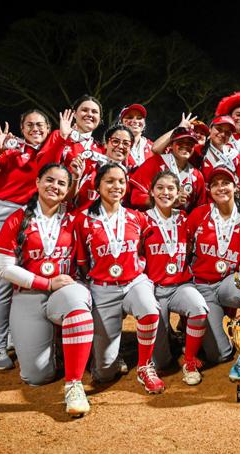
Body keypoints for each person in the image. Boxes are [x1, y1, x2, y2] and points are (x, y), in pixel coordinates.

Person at [0, 163, 94, 417]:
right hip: (30, 293)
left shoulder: (74, 218)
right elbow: (4, 269)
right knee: (36, 376)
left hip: (65, 290)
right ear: (37, 182)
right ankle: (58, 348)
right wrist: (45, 283)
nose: (55, 186)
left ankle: (74, 384)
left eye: (62, 183)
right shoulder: (18, 217)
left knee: (77, 302)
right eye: (49, 180)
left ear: (68, 189)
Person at [0, 109, 68, 369]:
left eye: (40, 124)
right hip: (2, 212)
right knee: (3, 281)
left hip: (29, 217)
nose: (35, 128)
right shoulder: (11, 148)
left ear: (48, 128)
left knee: (22, 281)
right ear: (21, 127)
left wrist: (63, 135)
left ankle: (17, 337)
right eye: (29, 124)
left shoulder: (51, 150)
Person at [75, 163, 165, 394]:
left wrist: (139, 269)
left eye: (121, 182)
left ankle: (145, 365)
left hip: (134, 281)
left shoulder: (137, 218)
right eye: (110, 181)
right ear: (97, 186)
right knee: (104, 373)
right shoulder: (83, 221)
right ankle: (108, 358)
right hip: (102, 289)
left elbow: (147, 249)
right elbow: (82, 262)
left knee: (149, 308)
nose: (117, 186)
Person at [186, 166, 240, 381]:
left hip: (229, 283)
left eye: (226, 183)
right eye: (215, 184)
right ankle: (228, 331)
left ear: (235, 187)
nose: (221, 188)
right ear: (209, 190)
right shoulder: (198, 215)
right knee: (219, 354)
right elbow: (183, 250)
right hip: (203, 287)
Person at [141, 171, 209, 385]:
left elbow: (190, 247)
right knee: (161, 362)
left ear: (178, 192)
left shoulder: (184, 219)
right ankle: (170, 339)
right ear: (152, 192)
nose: (165, 192)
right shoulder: (142, 220)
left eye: (171, 188)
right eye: (160, 187)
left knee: (198, 308)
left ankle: (189, 360)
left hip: (180, 285)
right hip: (154, 288)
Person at [129, 127, 206, 212]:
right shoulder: (154, 163)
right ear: (170, 145)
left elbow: (200, 210)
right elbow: (136, 198)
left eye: (190, 144)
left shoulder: (197, 175)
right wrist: (167, 201)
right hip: (151, 222)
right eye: (180, 142)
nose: (185, 146)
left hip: (181, 223)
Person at [119, 103, 154, 167]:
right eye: (130, 117)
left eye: (139, 118)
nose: (135, 121)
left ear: (144, 124)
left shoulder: (153, 147)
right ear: (121, 123)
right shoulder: (115, 145)